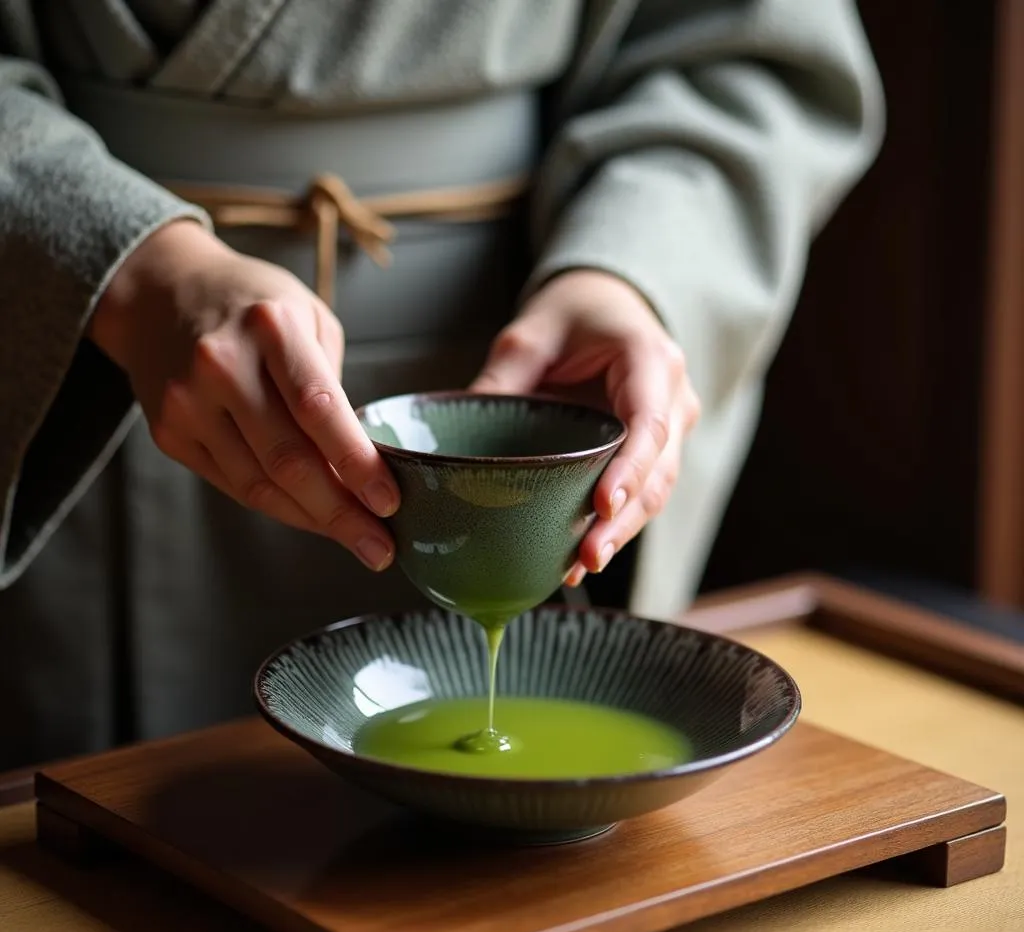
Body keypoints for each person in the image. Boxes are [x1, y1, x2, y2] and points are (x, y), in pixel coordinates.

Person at [0, 0, 884, 771]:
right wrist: (128, 270)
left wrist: (629, 272)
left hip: (543, 362)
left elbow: (747, 53)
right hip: (88, 367)